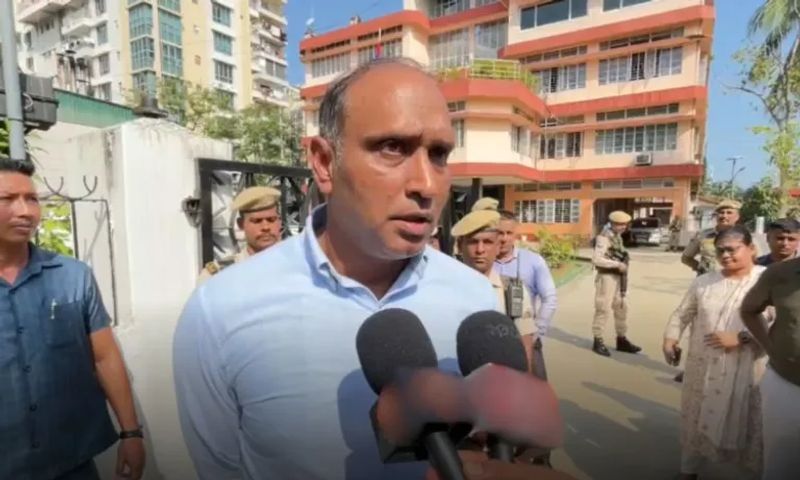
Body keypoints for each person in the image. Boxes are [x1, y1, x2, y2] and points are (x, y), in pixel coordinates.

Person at [173, 57, 500, 480]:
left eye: (438, 154)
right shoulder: (219, 310)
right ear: (324, 163)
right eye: (392, 147)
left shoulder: (475, 298)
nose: (426, 184)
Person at [0, 159, 145, 480]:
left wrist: (131, 433)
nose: (25, 211)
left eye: (32, 199)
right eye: (7, 199)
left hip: (71, 461)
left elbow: (105, 356)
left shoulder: (73, 276)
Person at [663, 226, 768, 479]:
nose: (725, 255)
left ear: (751, 249)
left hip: (749, 367)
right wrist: (670, 338)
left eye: (732, 249)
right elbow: (682, 313)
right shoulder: (704, 282)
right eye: (720, 250)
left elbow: (782, 323)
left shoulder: (767, 281)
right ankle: (688, 470)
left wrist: (742, 337)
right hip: (704, 366)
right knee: (696, 417)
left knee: (750, 423)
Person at [451, 209, 536, 369]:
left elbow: (525, 346)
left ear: (498, 247)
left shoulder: (512, 290)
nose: (480, 250)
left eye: (488, 242)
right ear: (460, 246)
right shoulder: (446, 289)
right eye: (473, 242)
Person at [741, 256, 800, 480]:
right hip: (788, 384)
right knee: (781, 462)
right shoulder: (780, 273)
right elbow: (749, 310)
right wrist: (769, 347)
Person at [197, 185, 282, 283]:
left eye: (271, 220)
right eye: (257, 221)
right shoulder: (219, 276)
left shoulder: (295, 266)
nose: (265, 227)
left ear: (279, 222)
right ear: (241, 224)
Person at [591, 211, 641, 357]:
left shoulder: (617, 237)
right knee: (603, 309)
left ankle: (621, 339)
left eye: (625, 224)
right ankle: (598, 340)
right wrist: (617, 264)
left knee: (621, 308)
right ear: (612, 224)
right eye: (620, 224)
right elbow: (596, 259)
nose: (623, 227)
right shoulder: (603, 238)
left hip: (618, 278)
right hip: (606, 278)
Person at [681, 199, 741, 275]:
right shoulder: (703, 235)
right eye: (721, 212)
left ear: (737, 217)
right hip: (708, 280)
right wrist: (701, 269)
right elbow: (686, 258)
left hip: (734, 279)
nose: (724, 216)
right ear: (716, 216)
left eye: (729, 213)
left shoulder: (743, 237)